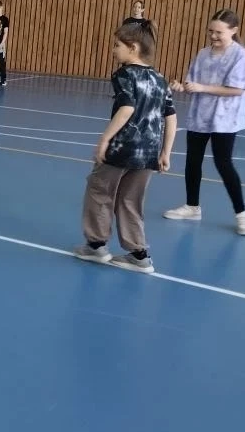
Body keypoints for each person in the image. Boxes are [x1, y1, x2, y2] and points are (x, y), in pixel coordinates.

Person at [73, 20, 177, 273]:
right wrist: (165, 152)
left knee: (99, 190)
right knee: (131, 200)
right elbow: (171, 117)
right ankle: (139, 254)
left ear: (133, 48)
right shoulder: (160, 79)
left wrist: (105, 139)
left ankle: (96, 246)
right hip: (149, 153)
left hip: (122, 148)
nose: (113, 50)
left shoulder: (124, 74)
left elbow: (126, 108)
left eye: (117, 45)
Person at [163, 8, 245, 236]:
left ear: (233, 30)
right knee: (192, 161)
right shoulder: (203, 54)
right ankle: (192, 207)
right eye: (210, 31)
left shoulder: (241, 56)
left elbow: (237, 89)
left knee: (223, 163)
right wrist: (181, 87)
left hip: (225, 119)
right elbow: (192, 84)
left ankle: (242, 213)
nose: (213, 36)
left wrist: (202, 87)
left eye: (219, 32)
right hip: (200, 116)